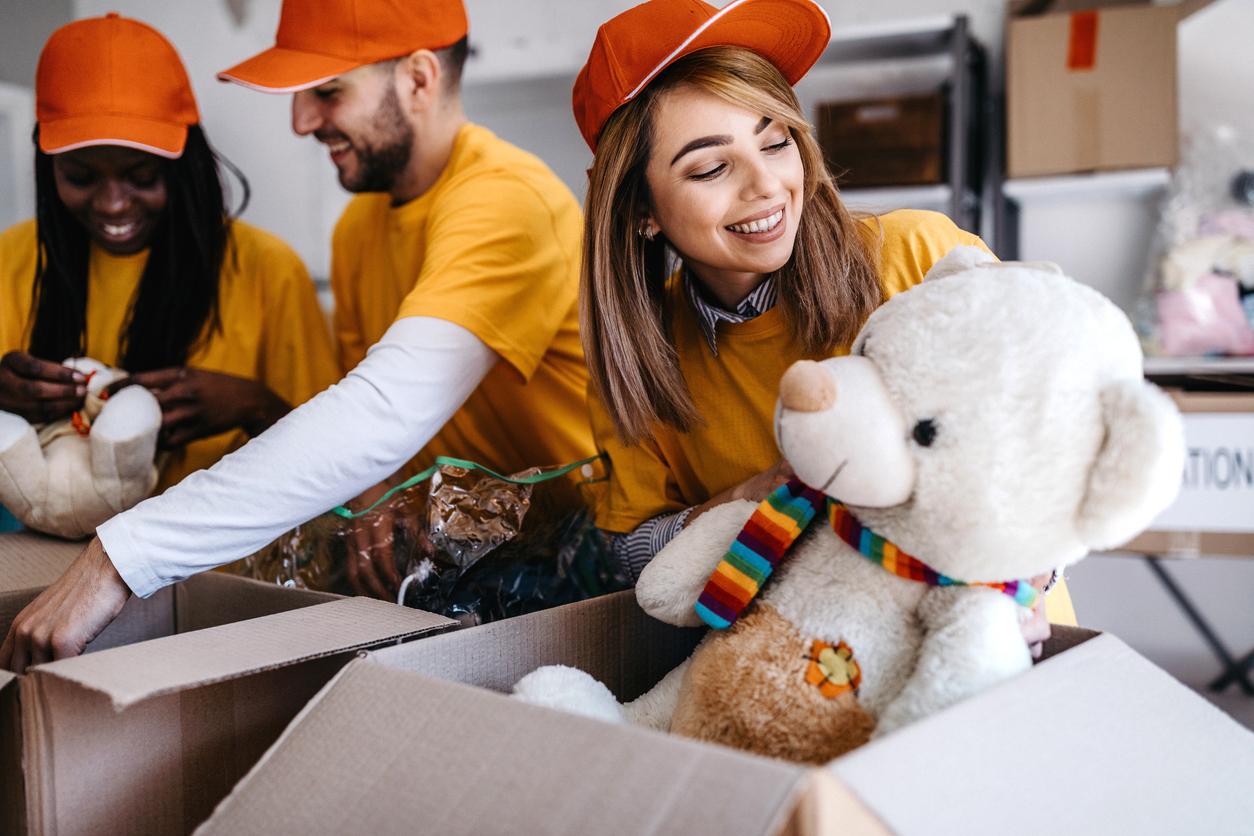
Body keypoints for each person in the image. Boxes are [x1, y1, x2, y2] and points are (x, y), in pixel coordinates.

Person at [0, 0, 593, 671]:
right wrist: (383, 508)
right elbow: (368, 458)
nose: (301, 120)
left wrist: (118, 558)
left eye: (327, 92)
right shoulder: (358, 229)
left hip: (564, 566)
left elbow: (379, 413)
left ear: (421, 80)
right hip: (445, 563)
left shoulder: (509, 202)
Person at [573, 0, 1076, 632]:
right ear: (639, 209)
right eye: (711, 167)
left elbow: (1057, 436)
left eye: (775, 141)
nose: (766, 185)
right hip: (800, 678)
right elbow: (626, 552)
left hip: (997, 637)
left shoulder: (918, 256)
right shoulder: (636, 357)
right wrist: (741, 502)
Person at [0, 13, 338, 497]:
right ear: (45, 166)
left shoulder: (267, 269)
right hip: (54, 556)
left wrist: (255, 407)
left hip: (219, 567)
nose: (113, 203)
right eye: (80, 177)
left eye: (141, 176)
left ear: (185, 165)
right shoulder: (12, 259)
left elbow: (334, 458)